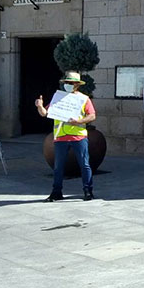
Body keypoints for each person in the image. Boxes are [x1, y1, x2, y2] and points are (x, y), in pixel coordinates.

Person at [35, 71, 97, 202]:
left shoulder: (83, 99)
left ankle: (88, 191)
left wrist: (79, 121)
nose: (68, 85)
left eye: (71, 83)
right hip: (60, 137)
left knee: (84, 165)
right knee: (58, 167)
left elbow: (92, 115)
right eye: (66, 83)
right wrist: (40, 106)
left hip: (78, 137)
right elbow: (45, 113)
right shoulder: (58, 97)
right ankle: (56, 192)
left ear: (77, 85)